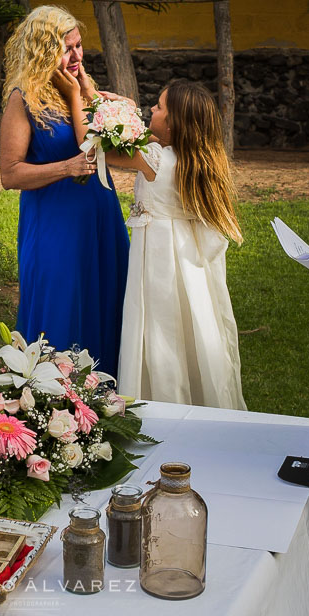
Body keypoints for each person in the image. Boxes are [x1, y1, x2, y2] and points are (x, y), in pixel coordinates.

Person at [0, 5, 128, 375]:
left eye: (79, 46)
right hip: (55, 224)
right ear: (43, 50)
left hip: (100, 216)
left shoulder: (79, 89)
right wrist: (66, 168)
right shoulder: (22, 99)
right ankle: (58, 413)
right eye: (66, 48)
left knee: (106, 303)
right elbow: (10, 173)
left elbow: (112, 134)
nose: (76, 56)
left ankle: (109, 406)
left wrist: (90, 94)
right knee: (60, 310)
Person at [115, 82, 246, 409]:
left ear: (173, 124)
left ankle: (163, 401)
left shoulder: (156, 159)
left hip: (159, 264)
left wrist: (82, 95)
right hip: (188, 263)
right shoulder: (193, 159)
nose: (152, 112)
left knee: (162, 336)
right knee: (193, 328)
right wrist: (123, 108)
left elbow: (100, 147)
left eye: (158, 108)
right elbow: (147, 138)